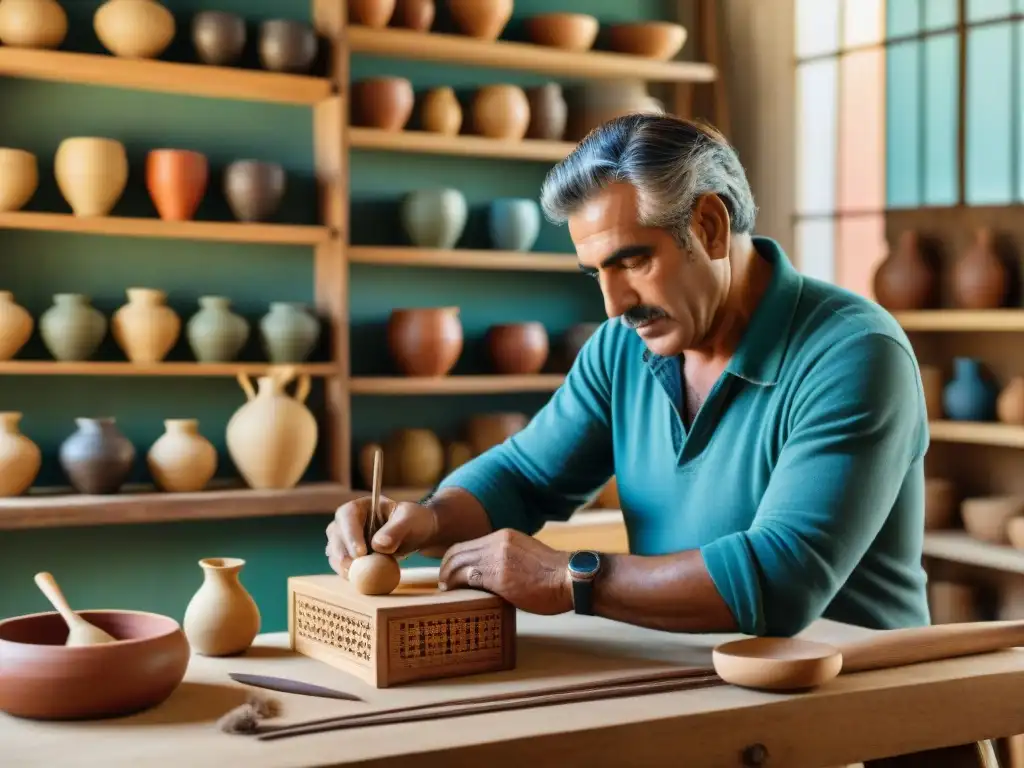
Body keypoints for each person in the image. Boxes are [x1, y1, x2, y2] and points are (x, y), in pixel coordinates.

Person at [326, 113, 931, 638]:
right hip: (694, 678)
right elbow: (525, 476)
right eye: (597, 273)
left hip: (860, 699)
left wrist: (569, 578)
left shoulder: (854, 353)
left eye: (633, 261)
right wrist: (425, 520)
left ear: (711, 227)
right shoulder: (624, 348)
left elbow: (781, 581)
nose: (614, 306)